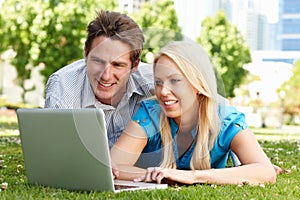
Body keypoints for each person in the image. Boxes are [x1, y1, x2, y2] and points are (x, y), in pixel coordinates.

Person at [110, 40, 277, 185]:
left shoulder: (227, 121)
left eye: (175, 81)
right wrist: (162, 176)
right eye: (159, 82)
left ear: (198, 84)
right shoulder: (150, 113)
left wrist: (192, 176)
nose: (163, 91)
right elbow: (113, 166)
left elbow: (265, 171)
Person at [44, 10, 154, 147]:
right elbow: (55, 149)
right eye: (98, 61)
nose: (106, 76)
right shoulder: (63, 86)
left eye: (118, 65)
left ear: (135, 65)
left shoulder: (156, 84)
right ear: (85, 53)